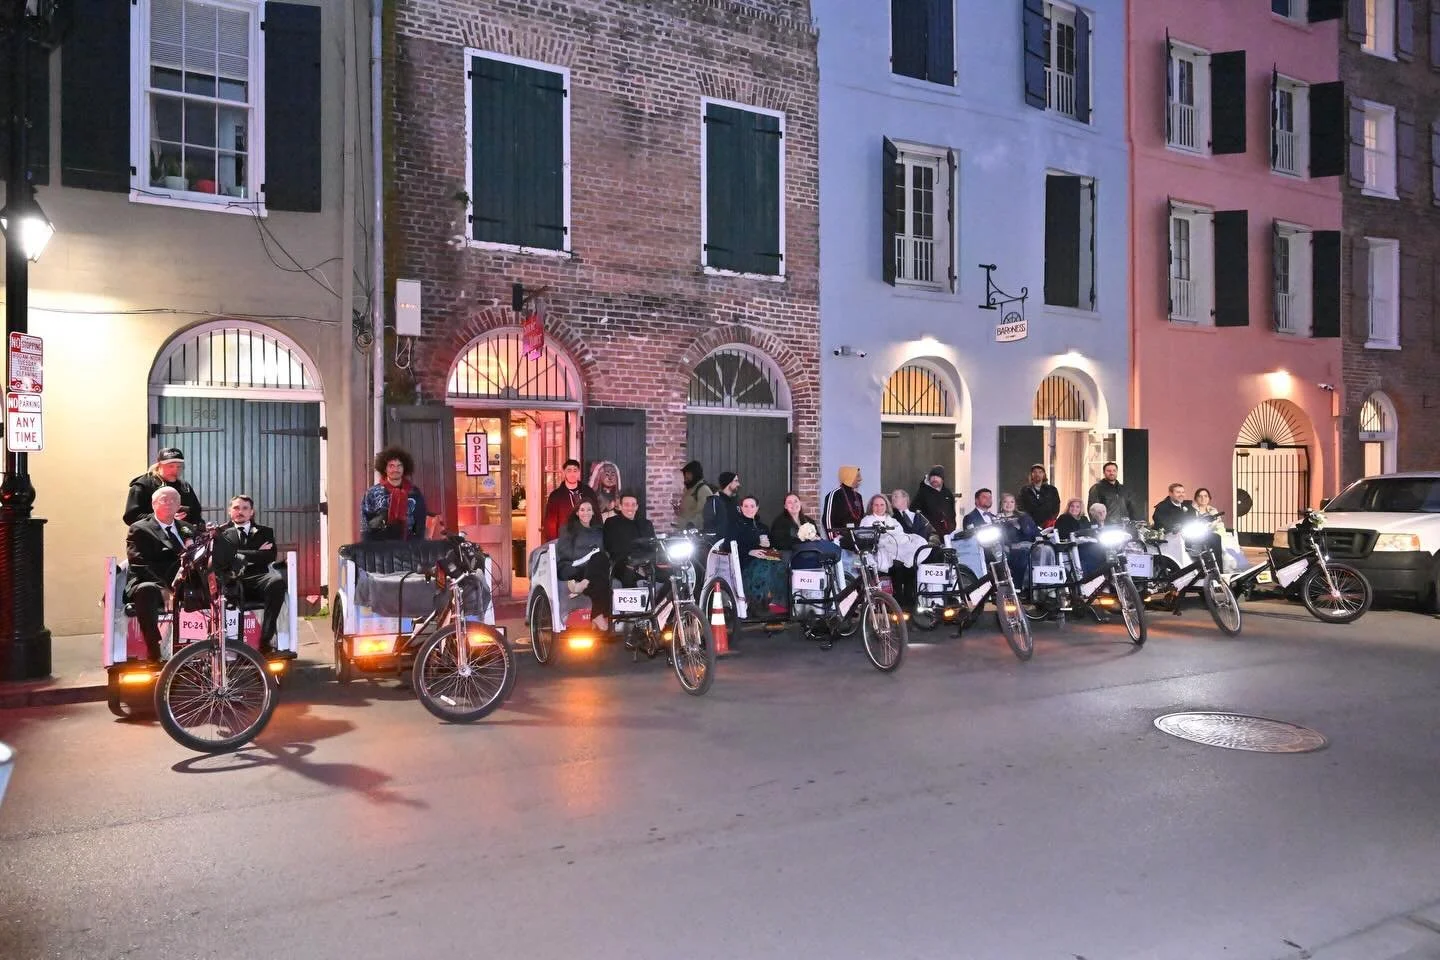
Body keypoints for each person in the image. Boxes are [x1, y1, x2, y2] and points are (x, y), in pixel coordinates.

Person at [124, 487, 197, 662]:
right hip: (150, 581)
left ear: (179, 505)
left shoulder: (187, 528)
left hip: (181, 581)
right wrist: (163, 588)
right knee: (146, 590)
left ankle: (206, 644)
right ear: (154, 504)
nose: (170, 503)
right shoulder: (140, 529)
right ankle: (154, 648)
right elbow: (138, 564)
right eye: (165, 499)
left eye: (174, 500)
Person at [217, 495, 287, 656]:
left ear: (251, 512)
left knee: (277, 582)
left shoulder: (265, 532)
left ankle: (266, 640)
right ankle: (224, 645)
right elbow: (223, 558)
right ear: (229, 511)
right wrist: (256, 553)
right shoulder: (220, 533)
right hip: (232, 579)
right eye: (236, 508)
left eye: (244, 508)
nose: (240, 512)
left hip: (258, 579)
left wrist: (237, 554)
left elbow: (269, 556)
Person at [860, 494, 931, 607]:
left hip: (896, 551)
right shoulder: (867, 521)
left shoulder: (893, 521)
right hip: (877, 554)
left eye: (882, 505)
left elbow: (900, 537)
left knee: (910, 566)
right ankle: (894, 603)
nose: (879, 507)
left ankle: (909, 602)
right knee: (896, 567)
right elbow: (866, 539)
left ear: (886, 506)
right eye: (876, 505)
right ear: (871, 506)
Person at [557, 501, 611, 632]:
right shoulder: (568, 529)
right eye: (582, 510)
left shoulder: (599, 531)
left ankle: (585, 584)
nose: (585, 513)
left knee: (601, 560)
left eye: (589, 510)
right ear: (577, 512)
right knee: (599, 566)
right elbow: (565, 553)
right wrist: (588, 554)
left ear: (593, 512)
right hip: (573, 566)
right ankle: (599, 615)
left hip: (593, 569)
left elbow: (605, 551)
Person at [361, 447, 432, 541]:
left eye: (399, 466)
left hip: (409, 547)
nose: (396, 469)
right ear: (385, 469)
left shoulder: (415, 493)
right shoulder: (372, 493)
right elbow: (365, 524)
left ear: (404, 468)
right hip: (380, 548)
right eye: (391, 466)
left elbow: (420, 524)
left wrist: (417, 546)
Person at [734, 496, 788, 615]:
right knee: (763, 567)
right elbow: (728, 545)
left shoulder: (763, 527)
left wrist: (768, 546)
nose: (749, 509)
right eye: (746, 506)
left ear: (757, 508)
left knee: (781, 564)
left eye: (752, 506)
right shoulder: (736, 526)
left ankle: (778, 602)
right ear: (741, 508)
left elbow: (771, 546)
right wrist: (749, 551)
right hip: (745, 562)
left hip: (764, 558)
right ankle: (759, 603)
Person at [123, 447, 204, 526]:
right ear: (159, 465)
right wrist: (163, 518)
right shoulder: (143, 485)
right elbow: (130, 517)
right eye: (170, 466)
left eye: (179, 466)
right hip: (152, 537)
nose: (175, 470)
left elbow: (196, 513)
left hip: (182, 537)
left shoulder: (185, 487)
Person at [772, 491, 842, 566]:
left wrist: (815, 537)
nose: (793, 504)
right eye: (789, 502)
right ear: (785, 506)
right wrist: (802, 540)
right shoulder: (779, 522)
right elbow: (778, 543)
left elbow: (817, 536)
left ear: (800, 503)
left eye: (796, 501)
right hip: (794, 555)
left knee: (827, 549)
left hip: (811, 552)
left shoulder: (809, 521)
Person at [603, 492, 656, 587]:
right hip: (622, 565)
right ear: (620, 506)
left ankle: (657, 601)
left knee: (671, 575)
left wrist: (644, 564)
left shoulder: (646, 524)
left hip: (646, 564)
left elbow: (653, 547)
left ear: (637, 507)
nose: (630, 508)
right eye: (626, 505)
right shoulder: (611, 523)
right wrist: (633, 565)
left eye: (633, 505)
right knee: (629, 576)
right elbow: (610, 547)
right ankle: (637, 602)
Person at [541, 459, 599, 542]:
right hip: (565, 541)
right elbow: (550, 524)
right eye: (569, 470)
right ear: (564, 472)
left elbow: (597, 516)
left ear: (579, 472)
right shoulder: (556, 496)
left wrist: (597, 538)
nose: (572, 474)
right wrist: (553, 544)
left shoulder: (588, 492)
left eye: (575, 470)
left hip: (587, 539)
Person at [1192, 486, 1246, 572]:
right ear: (1196, 498)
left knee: (1231, 542)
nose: (1203, 498)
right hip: (1202, 535)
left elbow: (1220, 524)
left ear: (1209, 498)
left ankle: (1238, 569)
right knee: (1223, 543)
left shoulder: (1213, 510)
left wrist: (1218, 528)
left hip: (1217, 532)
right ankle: (1222, 570)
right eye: (1200, 496)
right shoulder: (1193, 511)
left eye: (1206, 496)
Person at [995, 492, 1042, 583]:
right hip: (1011, 549)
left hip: (1031, 546)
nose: (1009, 504)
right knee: (1022, 556)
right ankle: (1019, 587)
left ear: (1015, 504)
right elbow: (999, 538)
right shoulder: (997, 521)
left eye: (1012, 502)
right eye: (1006, 502)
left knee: (1046, 550)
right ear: (1001, 504)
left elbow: (1035, 531)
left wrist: (1038, 538)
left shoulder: (1024, 517)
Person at [1056, 498, 1105, 577]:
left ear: (1081, 508)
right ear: (1068, 507)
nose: (1074, 508)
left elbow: (1090, 531)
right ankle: (1083, 577)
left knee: (1103, 551)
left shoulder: (1084, 519)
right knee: (1091, 554)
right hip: (1072, 545)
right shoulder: (1063, 518)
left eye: (1077, 507)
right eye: (1072, 506)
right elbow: (1062, 534)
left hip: (1086, 544)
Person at [912, 466, 958, 537]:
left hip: (947, 533)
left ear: (942, 479)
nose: (934, 479)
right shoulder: (922, 493)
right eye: (932, 476)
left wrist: (952, 528)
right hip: (930, 534)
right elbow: (914, 512)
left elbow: (952, 513)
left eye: (937, 476)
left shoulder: (947, 493)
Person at [823, 465, 865, 535]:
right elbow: (827, 520)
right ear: (849, 476)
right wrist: (834, 539)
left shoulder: (858, 496)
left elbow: (862, 518)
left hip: (857, 538)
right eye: (857, 476)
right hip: (839, 540)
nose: (860, 479)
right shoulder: (834, 495)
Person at [1018, 464, 1061, 528]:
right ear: (1031, 475)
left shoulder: (1052, 490)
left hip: (1048, 525)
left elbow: (1056, 506)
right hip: (1029, 525)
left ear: (1044, 474)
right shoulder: (1024, 490)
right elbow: (1020, 506)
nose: (1037, 474)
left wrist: (1051, 520)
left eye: (1040, 472)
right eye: (1035, 472)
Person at [674, 461, 714, 531]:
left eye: (689, 473)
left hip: (694, 533)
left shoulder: (703, 490)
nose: (686, 476)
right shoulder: (687, 489)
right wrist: (679, 510)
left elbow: (704, 513)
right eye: (685, 473)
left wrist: (691, 524)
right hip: (682, 531)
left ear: (695, 474)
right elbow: (689, 510)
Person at [703, 472, 743, 542]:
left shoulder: (736, 502)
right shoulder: (714, 501)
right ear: (728, 482)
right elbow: (708, 526)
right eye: (736, 481)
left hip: (736, 544)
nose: (739, 484)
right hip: (719, 546)